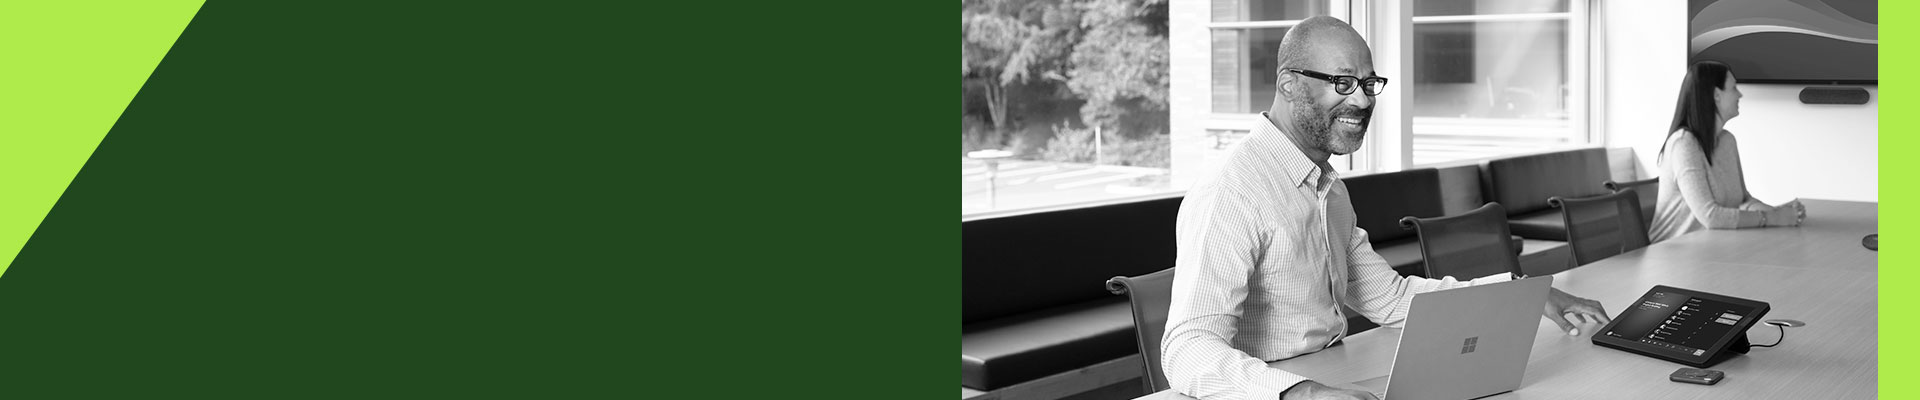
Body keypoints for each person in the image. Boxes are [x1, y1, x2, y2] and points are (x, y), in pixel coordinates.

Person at [1160, 17, 1613, 400]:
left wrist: (1520, 292)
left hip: (1333, 376)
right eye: (1342, 82)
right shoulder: (1232, 189)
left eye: (1367, 83)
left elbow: (1390, 298)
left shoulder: (1328, 189)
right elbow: (1187, 348)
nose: (1361, 100)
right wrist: (1304, 393)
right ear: (1288, 84)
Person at [1647, 61, 1804, 243]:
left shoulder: (1727, 141)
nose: (1740, 94)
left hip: (1710, 248)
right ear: (1716, 95)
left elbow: (1743, 201)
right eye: (1733, 88)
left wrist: (1778, 213)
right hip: (1670, 256)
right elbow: (1710, 216)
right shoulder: (1684, 144)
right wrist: (1771, 219)